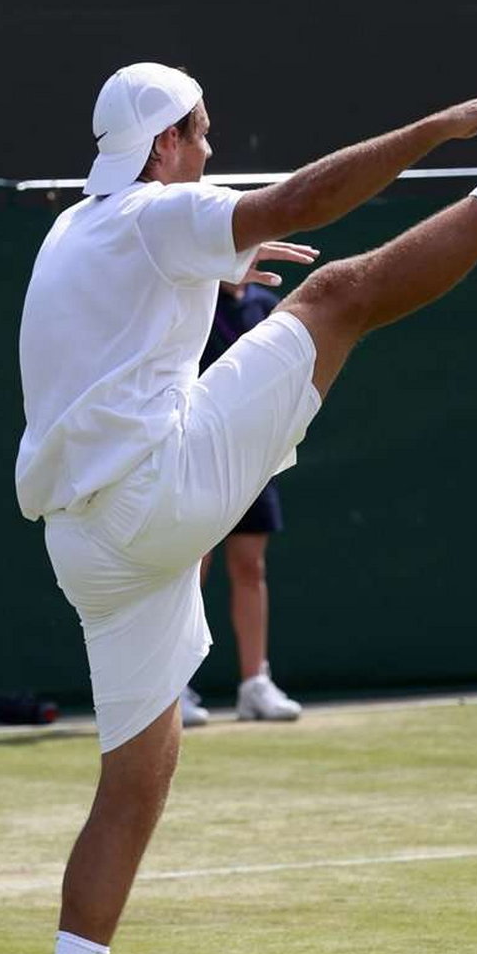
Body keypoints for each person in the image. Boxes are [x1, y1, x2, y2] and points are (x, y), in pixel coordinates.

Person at [11, 0, 477, 954]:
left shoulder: (77, 230)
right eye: (199, 133)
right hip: (149, 502)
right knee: (341, 294)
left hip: (87, 546)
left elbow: (132, 326)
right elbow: (292, 202)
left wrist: (222, 271)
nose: (210, 148)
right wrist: (435, 129)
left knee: (136, 776)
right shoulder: (157, 213)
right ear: (163, 144)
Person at [180, 279, 302, 727]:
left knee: (251, 567)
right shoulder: (192, 301)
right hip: (194, 453)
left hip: (253, 454)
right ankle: (173, 688)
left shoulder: (268, 307)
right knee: (191, 568)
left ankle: (255, 685)